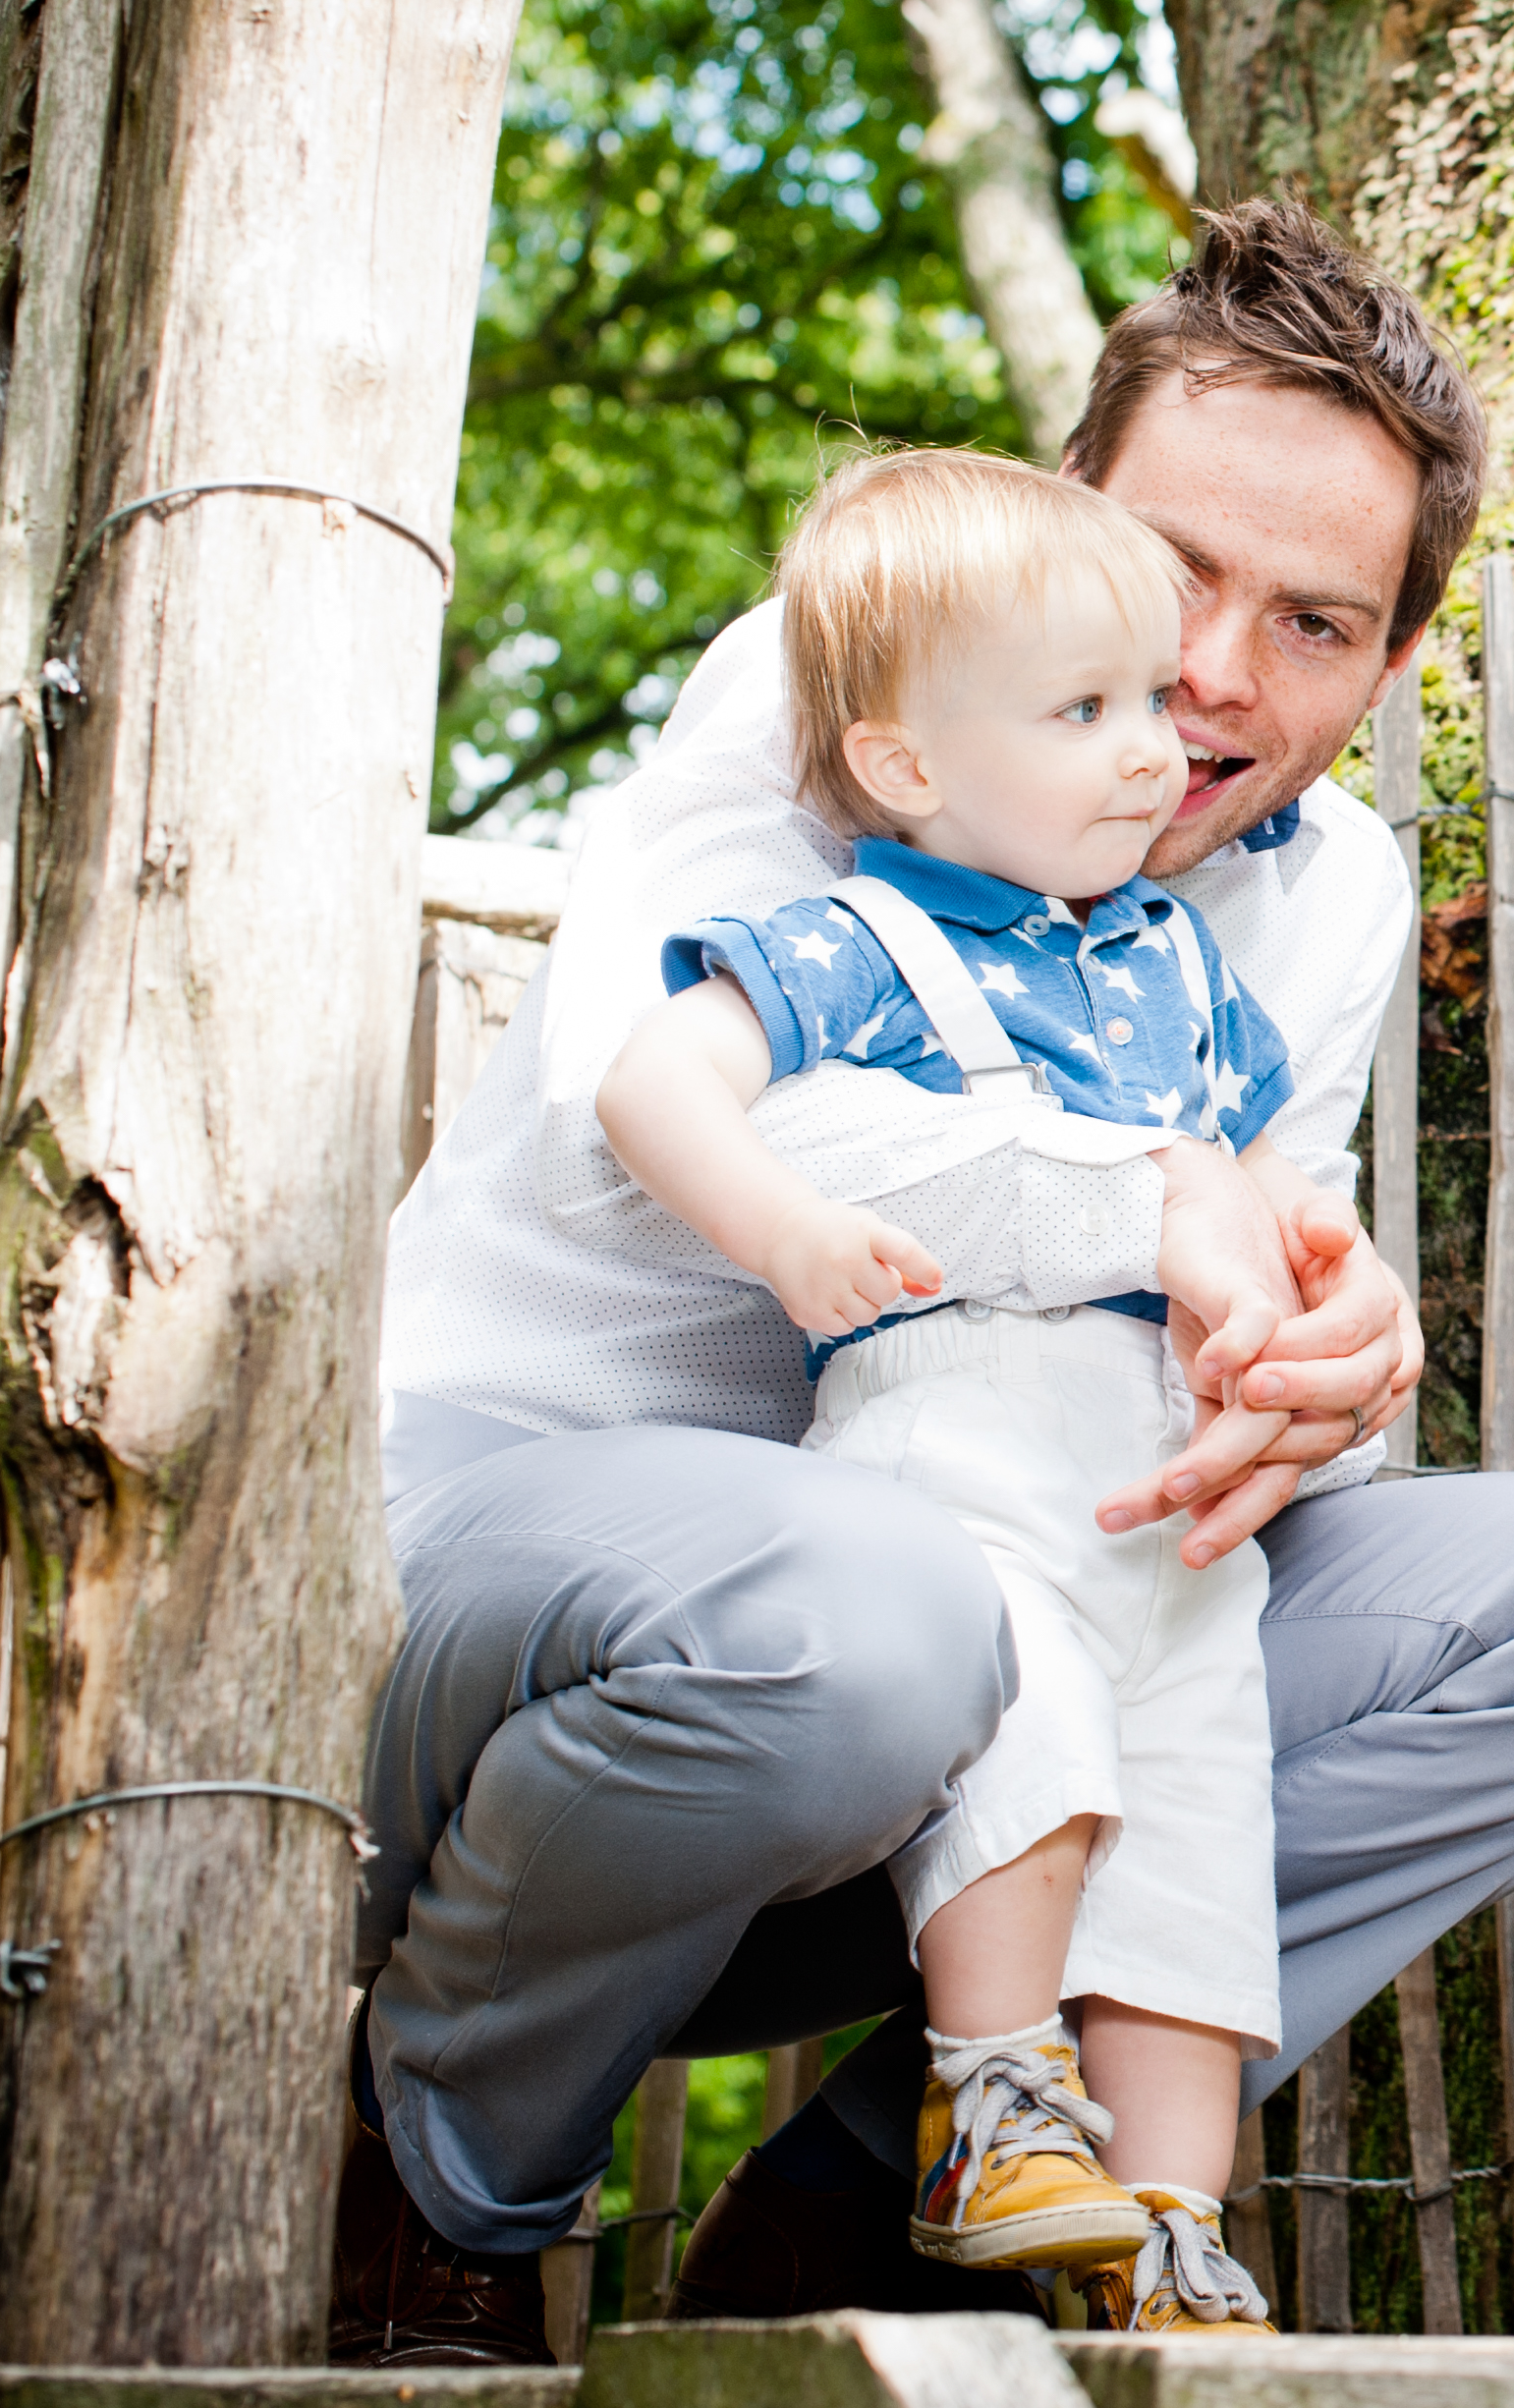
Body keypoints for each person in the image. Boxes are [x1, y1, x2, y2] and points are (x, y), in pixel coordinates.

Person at [339, 203, 1514, 2365]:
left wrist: (1320, 1357)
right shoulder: (830, 690)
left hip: (987, 1644)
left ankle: (909, 2202)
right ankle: (429, 2189)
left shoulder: (1329, 883)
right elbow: (692, 1107)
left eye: (1316, 622)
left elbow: (1255, 1231)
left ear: (1391, 664)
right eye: (1171, 573)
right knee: (876, 1608)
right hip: (532, 1593)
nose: (1216, 677)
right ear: (1066, 512)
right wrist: (1142, 1204)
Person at [595, 449, 1311, 2328]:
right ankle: (994, 2101)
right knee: (1037, 1740)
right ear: (909, 765)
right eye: (1087, 711)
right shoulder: (857, 941)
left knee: (1193, 1825)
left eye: (1153, 700)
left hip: (1162, 1484)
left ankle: (1170, 2233)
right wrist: (780, 1231)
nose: (1159, 745)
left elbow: (1260, 1186)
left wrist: (1305, 1292)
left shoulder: (1174, 964)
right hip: (964, 1433)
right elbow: (654, 1089)